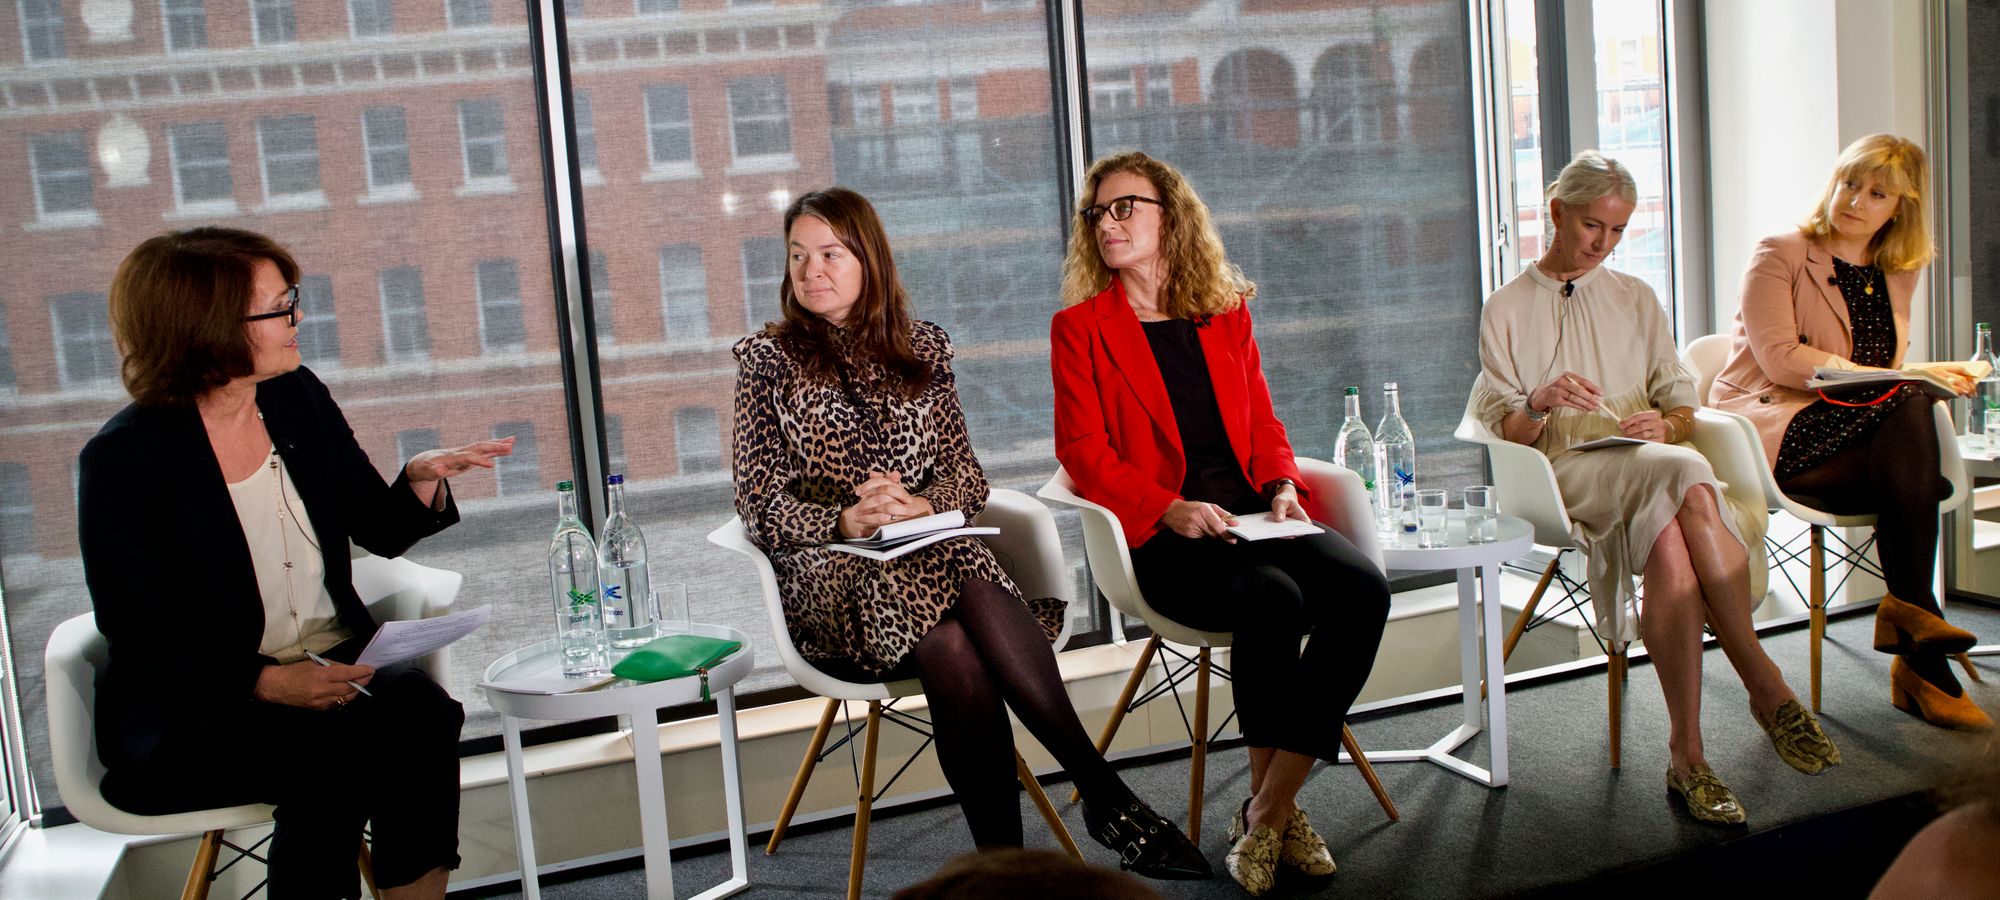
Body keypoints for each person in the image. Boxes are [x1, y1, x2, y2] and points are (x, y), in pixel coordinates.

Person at [731, 187, 1209, 880]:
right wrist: (844, 517)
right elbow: (755, 502)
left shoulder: (922, 346)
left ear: (868, 259)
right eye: (798, 256)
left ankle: (1002, 874)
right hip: (831, 576)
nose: (812, 271)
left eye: (830, 254)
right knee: (956, 563)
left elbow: (966, 475)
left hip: (923, 555)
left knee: (952, 644)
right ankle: (1102, 790)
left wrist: (920, 505)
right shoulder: (766, 361)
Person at [78, 227, 513, 900]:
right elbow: (141, 639)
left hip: (328, 663)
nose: (298, 318)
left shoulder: (295, 396)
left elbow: (377, 526)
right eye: (280, 307)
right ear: (209, 327)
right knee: (335, 754)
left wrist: (419, 479)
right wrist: (266, 683)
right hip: (196, 706)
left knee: (425, 714)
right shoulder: (124, 460)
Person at [1049, 150, 1391, 895]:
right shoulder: (1081, 328)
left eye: (1125, 207)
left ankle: (1266, 811)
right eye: (1097, 213)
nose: (1107, 223)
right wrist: (1165, 506)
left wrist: (1282, 484)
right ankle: (1277, 819)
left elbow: (1263, 418)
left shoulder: (1225, 310)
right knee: (1274, 599)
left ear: (1170, 216)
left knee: (1364, 589)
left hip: (1254, 516)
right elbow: (1082, 452)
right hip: (1164, 535)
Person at [1473, 151, 1839, 827]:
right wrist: (1541, 400)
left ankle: (1687, 757)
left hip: (1649, 464)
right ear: (1556, 213)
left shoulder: (1637, 297)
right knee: (1685, 475)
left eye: (1617, 231)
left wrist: (1666, 426)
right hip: (1565, 472)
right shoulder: (1506, 307)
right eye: (1592, 226)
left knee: (1674, 529)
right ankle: (1763, 681)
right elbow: (1512, 435)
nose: (1603, 244)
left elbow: (1680, 401)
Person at [1710, 134, 1991, 731]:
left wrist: (1923, 378)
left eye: (1877, 193)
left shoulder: (1899, 268)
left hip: (1860, 425)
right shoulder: (1780, 252)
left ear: (1902, 208)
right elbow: (1783, 360)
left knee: (1911, 416)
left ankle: (1913, 631)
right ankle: (1919, 631)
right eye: (1850, 184)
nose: (1856, 201)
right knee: (1912, 420)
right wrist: (1908, 378)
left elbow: (1882, 374)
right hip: (1779, 423)